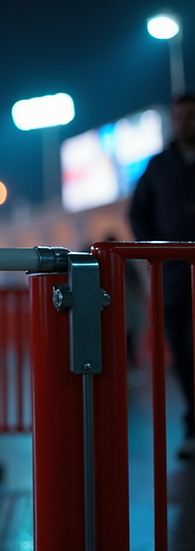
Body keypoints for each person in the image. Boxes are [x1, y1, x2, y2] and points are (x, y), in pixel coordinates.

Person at [129, 92, 195, 460]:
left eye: (190, 116)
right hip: (174, 281)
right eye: (179, 116)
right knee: (184, 353)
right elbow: (138, 213)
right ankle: (193, 424)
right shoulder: (158, 167)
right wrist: (158, 249)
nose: (184, 123)